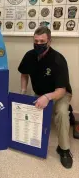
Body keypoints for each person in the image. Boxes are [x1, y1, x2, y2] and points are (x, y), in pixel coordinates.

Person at [18, 26, 73, 169]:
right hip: (40, 93)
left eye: (42, 41)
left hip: (59, 93)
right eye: (36, 41)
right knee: (30, 113)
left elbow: (61, 90)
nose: (38, 44)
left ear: (49, 41)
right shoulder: (29, 55)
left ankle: (64, 150)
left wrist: (48, 97)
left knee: (61, 113)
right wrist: (23, 91)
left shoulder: (58, 60)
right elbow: (24, 74)